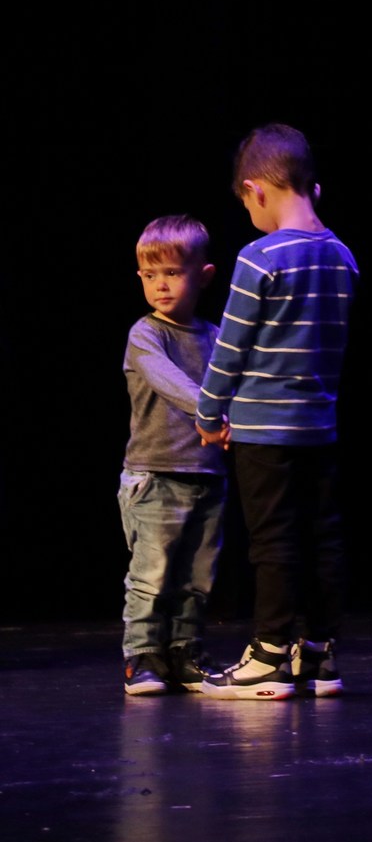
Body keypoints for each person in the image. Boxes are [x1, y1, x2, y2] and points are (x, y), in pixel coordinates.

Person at [195, 125, 358, 700]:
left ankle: (268, 655)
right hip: (319, 426)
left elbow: (230, 348)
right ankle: (318, 653)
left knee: (272, 541)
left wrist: (208, 413)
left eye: (247, 204)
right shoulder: (342, 257)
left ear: (256, 189)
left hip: (264, 430)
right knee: (321, 536)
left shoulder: (259, 258)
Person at [118, 215, 228, 695]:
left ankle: (185, 652)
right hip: (156, 475)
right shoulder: (146, 334)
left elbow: (236, 383)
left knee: (197, 576)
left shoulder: (215, 335)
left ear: (203, 275)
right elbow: (171, 382)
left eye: (172, 273)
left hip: (208, 474)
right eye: (150, 274)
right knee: (152, 575)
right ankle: (142, 656)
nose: (159, 284)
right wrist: (213, 415)